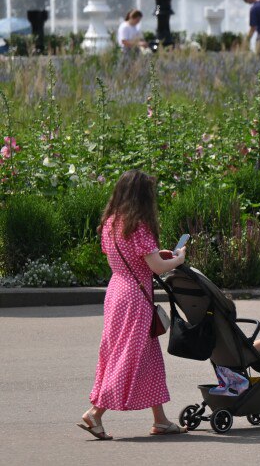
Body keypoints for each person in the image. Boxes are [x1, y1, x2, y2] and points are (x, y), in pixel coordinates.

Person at [80, 170, 189, 439]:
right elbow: (157, 266)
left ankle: (160, 420)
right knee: (128, 356)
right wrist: (178, 258)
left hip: (117, 291)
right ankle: (95, 413)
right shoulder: (139, 226)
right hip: (135, 297)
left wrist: (156, 257)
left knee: (146, 356)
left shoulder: (111, 223)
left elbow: (131, 258)